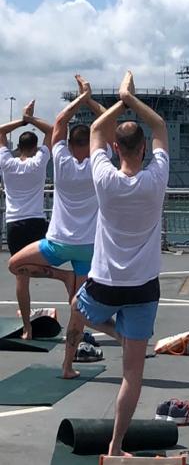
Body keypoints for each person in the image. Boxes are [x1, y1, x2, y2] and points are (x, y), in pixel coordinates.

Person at [62, 71, 170, 457]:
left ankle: (117, 333)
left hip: (105, 281)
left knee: (77, 308)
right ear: (142, 150)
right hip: (143, 286)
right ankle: (116, 444)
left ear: (116, 149)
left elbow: (93, 129)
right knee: (132, 375)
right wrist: (132, 97)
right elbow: (159, 125)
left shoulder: (104, 178)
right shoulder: (156, 178)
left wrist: (119, 102)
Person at [9, 77, 106, 335]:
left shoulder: (62, 162)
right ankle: (80, 340)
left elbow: (60, 123)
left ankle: (61, 278)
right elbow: (107, 122)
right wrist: (90, 99)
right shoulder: (100, 163)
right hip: (89, 246)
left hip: (58, 243)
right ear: (93, 144)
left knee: (15, 265)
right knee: (79, 301)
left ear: (70, 145)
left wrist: (78, 100)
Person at [1, 101, 53, 339]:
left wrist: (22, 120)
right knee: (43, 268)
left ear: (19, 147)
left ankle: (27, 328)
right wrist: (32, 119)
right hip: (36, 222)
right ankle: (65, 277)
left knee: (21, 277)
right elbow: (51, 131)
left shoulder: (7, 163)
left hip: (14, 224)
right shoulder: (39, 162)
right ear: (34, 147)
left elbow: (0, 132)